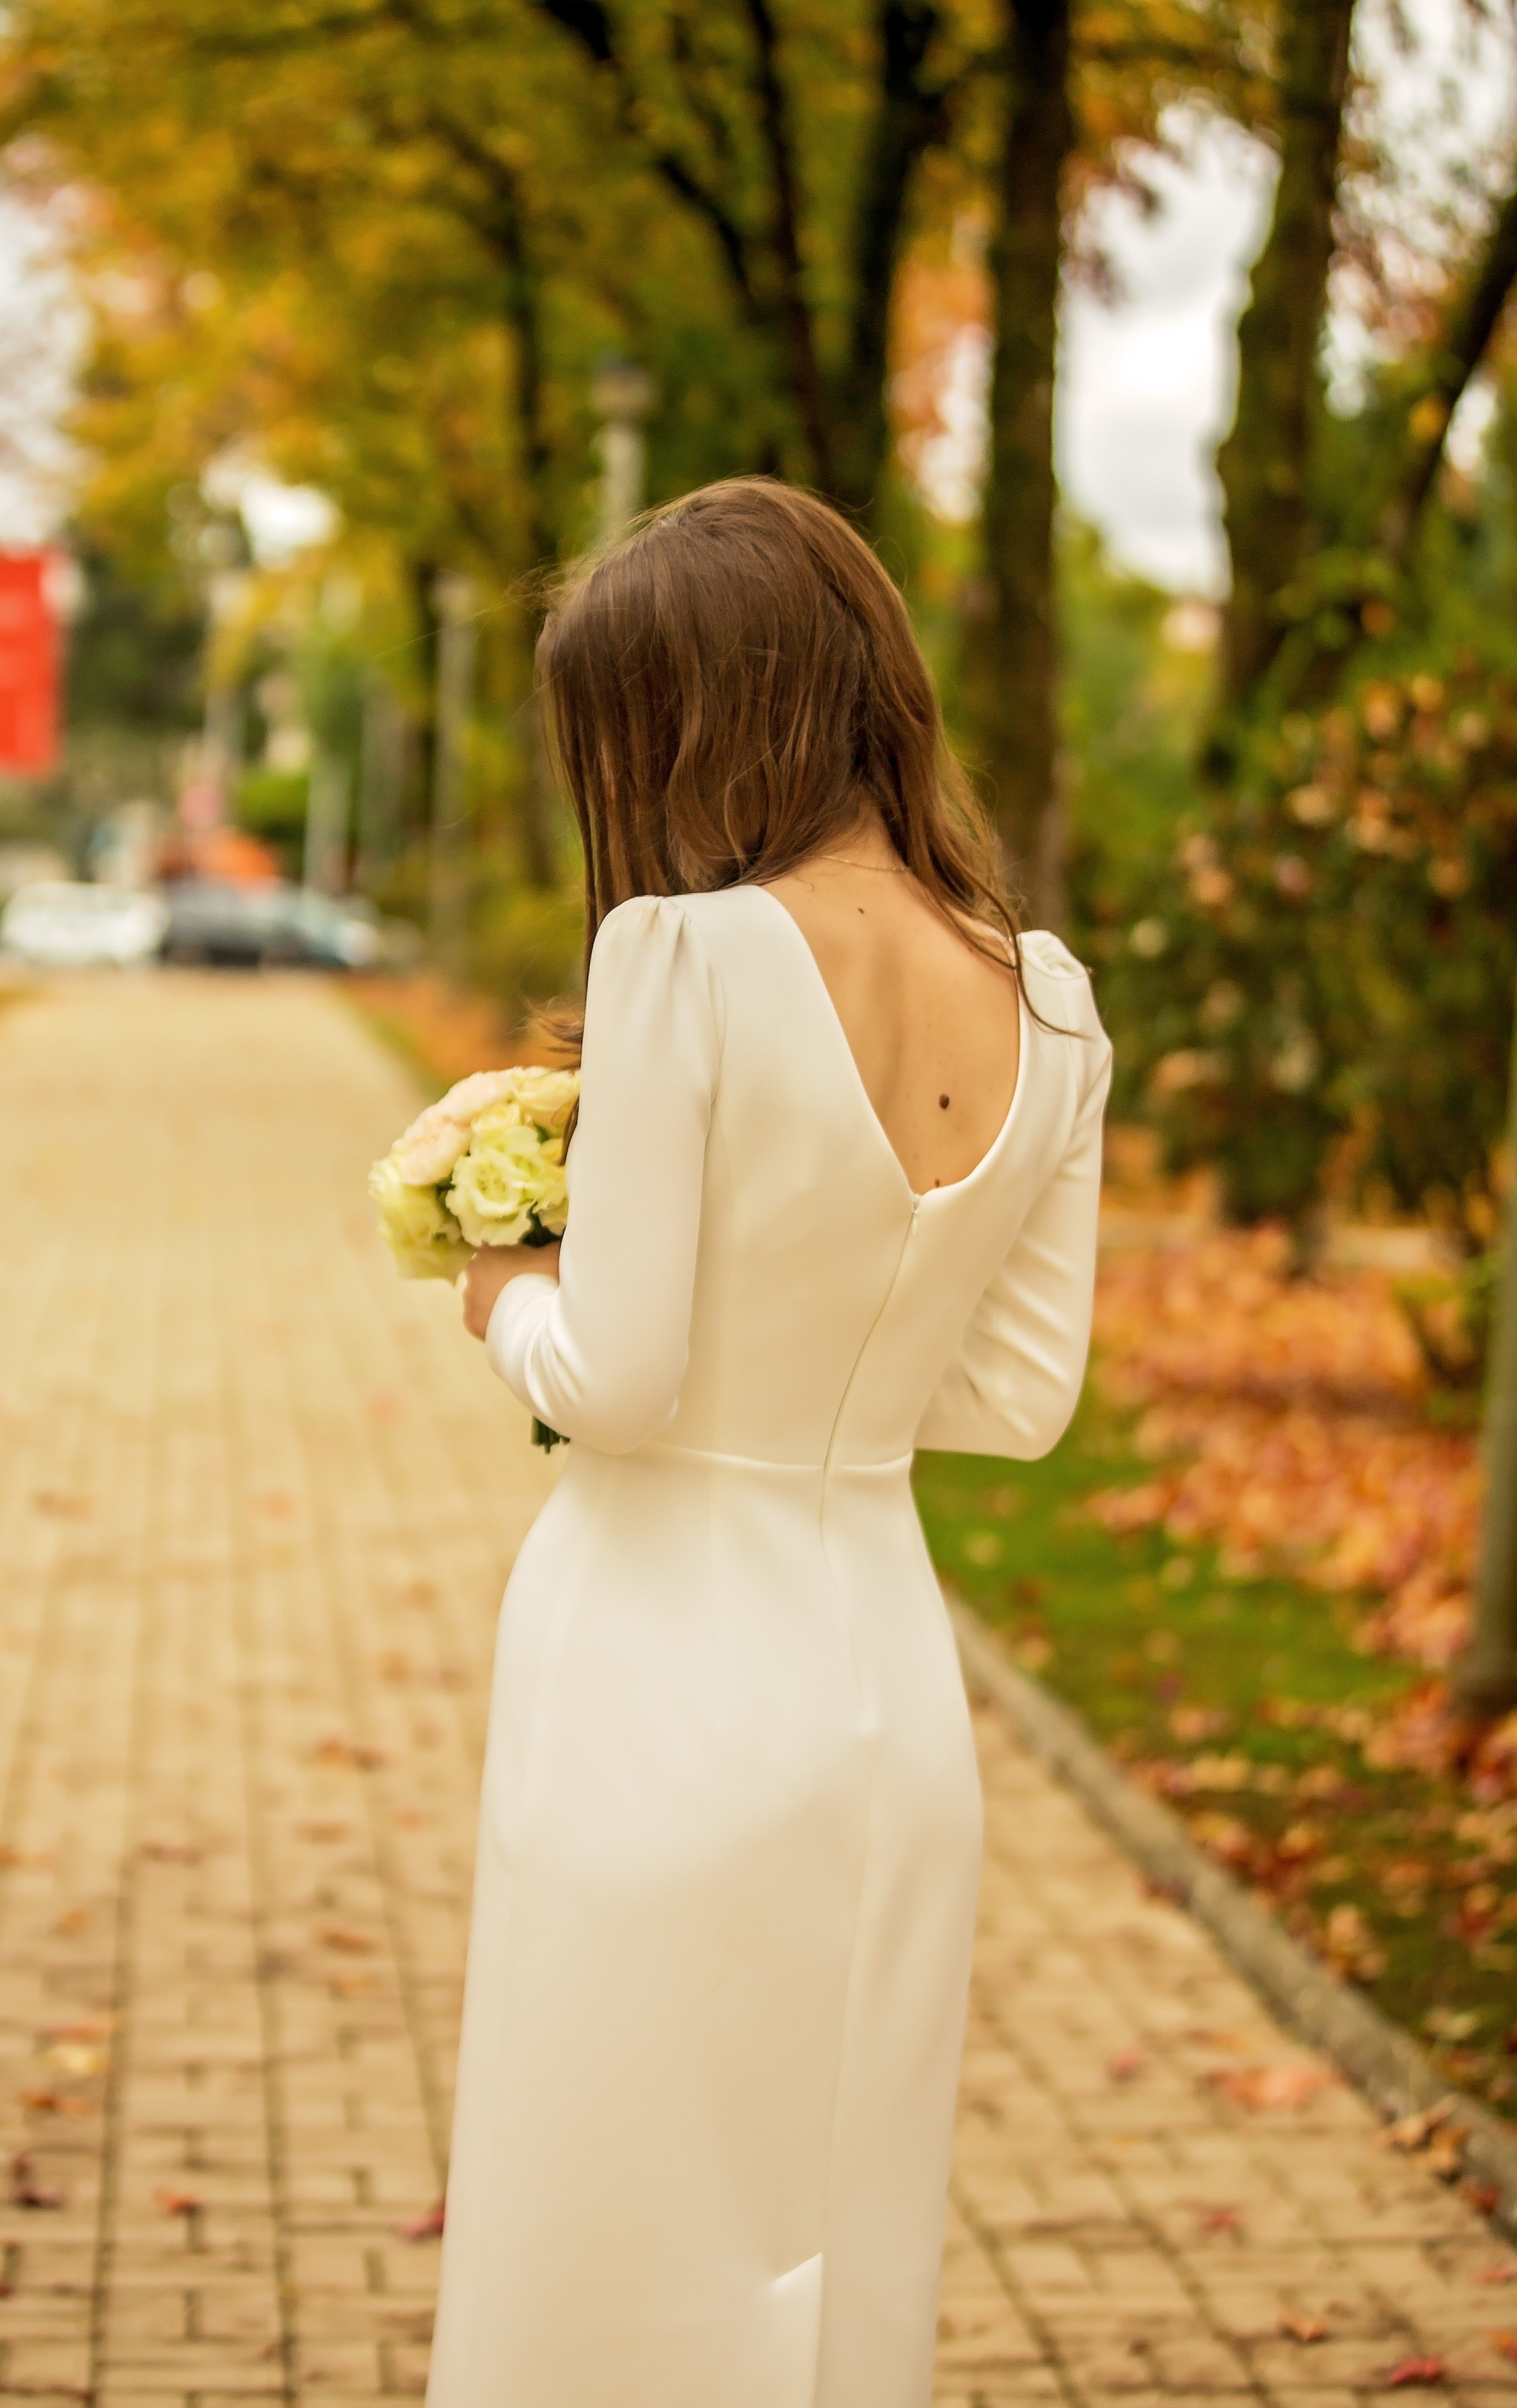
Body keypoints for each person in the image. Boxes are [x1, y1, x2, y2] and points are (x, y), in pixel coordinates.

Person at [425, 478, 1111, 2408]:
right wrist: (824, 1380)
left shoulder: (689, 955)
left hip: (658, 1676)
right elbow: (1020, 1398)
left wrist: (500, 1292)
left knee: (605, 2212)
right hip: (887, 1690)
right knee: (835, 2236)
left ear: (702, 720)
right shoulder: (1051, 1000)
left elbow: (618, 1379)